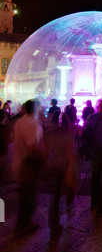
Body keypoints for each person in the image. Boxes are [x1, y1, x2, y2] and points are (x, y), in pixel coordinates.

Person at [13, 99, 45, 237]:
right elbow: (32, 147)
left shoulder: (20, 121)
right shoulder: (32, 124)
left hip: (20, 161)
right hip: (29, 164)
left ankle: (22, 224)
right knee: (28, 196)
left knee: (24, 195)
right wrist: (42, 160)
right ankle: (23, 225)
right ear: (36, 109)